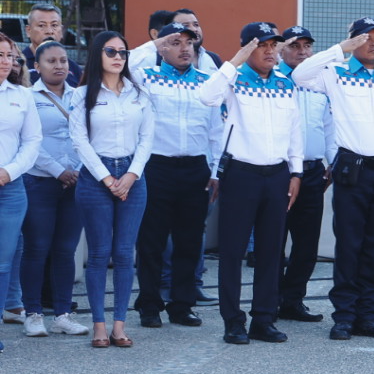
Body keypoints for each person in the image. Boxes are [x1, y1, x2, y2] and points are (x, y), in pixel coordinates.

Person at [291, 17, 374, 341]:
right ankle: (344, 317)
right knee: (349, 246)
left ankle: (368, 316)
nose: (373, 43)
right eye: (366, 38)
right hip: (354, 170)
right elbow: (300, 74)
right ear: (352, 41)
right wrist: (340, 49)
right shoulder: (336, 73)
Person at [198, 22, 302, 344]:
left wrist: (296, 172)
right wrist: (235, 61)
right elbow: (206, 96)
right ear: (247, 48)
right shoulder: (232, 80)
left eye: (274, 46)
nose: (271, 52)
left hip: (277, 174)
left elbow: (295, 130)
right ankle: (233, 321)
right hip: (241, 174)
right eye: (262, 46)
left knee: (271, 251)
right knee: (232, 252)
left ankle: (263, 319)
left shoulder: (285, 83)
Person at [132, 21, 224, 329]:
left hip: (196, 169)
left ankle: (182, 305)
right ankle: (149, 304)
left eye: (188, 42)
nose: (185, 48)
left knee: (189, 241)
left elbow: (216, 131)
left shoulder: (207, 81)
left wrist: (216, 172)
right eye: (175, 42)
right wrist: (154, 44)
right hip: (156, 167)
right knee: (151, 241)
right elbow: (125, 64)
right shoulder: (146, 77)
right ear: (162, 48)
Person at [70, 31, 152, 348]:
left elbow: (147, 138)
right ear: (97, 55)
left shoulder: (138, 93)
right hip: (95, 177)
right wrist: (107, 179)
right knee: (99, 253)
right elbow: (80, 141)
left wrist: (131, 174)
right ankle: (99, 326)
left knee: (124, 254)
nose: (118, 57)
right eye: (110, 51)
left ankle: (119, 325)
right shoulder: (82, 95)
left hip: (133, 174)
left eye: (122, 52)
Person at [19, 40, 87, 337]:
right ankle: (33, 313)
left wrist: (79, 169)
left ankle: (62, 314)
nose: (59, 65)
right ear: (37, 66)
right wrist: (59, 170)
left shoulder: (79, 96)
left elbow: (87, 137)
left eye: (63, 60)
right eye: (51, 61)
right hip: (39, 182)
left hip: (75, 183)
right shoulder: (27, 97)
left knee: (65, 250)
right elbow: (29, 141)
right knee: (36, 249)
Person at [275, 25, 328, 323]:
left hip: (313, 172)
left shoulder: (319, 83)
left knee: (307, 245)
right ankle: (270, 300)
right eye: (295, 46)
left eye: (307, 46)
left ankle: (293, 300)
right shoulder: (273, 79)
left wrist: (333, 162)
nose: (303, 52)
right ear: (282, 49)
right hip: (280, 172)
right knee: (274, 241)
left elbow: (329, 124)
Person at [0, 34, 38, 351]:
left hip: (10, 187)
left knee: (3, 261)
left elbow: (32, 141)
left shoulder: (22, 96)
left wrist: (9, 171)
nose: (5, 62)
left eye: (9, 56)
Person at [21, 3, 81, 85]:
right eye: (42, 25)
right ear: (28, 30)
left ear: (61, 30)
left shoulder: (73, 68)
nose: (49, 31)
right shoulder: (19, 65)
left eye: (54, 25)